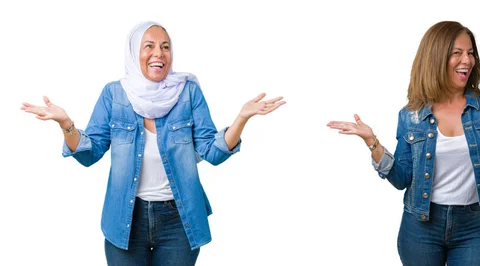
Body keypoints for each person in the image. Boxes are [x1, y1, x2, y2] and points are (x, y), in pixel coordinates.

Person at [21, 21, 285, 265]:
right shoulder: (114, 94)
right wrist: (66, 124)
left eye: (165, 47)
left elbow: (211, 152)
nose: (159, 53)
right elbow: (90, 154)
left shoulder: (188, 91)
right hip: (125, 218)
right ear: (134, 52)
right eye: (149, 46)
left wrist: (242, 118)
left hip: (178, 221)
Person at [327, 21, 480, 265]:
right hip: (421, 227)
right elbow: (402, 179)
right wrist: (372, 142)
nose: (467, 60)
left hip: (473, 227)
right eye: (456, 53)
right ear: (436, 58)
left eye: (470, 53)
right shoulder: (411, 114)